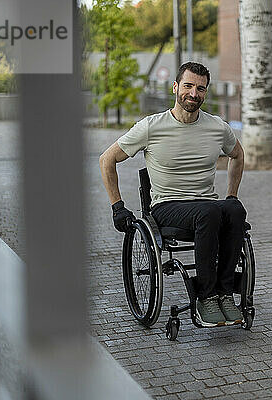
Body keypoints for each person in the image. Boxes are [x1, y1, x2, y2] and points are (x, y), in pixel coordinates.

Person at [99, 62, 247, 327]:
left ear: (206, 93)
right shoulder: (151, 127)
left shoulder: (217, 127)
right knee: (211, 211)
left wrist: (232, 195)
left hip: (206, 206)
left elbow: (237, 154)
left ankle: (225, 294)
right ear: (176, 87)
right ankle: (206, 298)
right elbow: (107, 159)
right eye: (188, 86)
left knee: (234, 210)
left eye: (200, 89)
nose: (194, 93)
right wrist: (117, 206)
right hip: (167, 206)